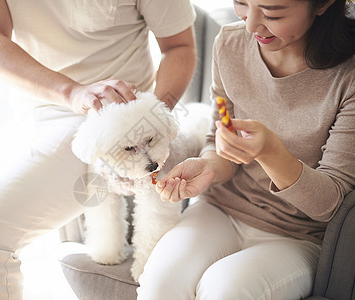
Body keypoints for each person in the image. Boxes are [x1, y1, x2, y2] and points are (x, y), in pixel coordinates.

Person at [0, 0, 197, 298]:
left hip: (105, 125)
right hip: (33, 115)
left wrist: (150, 122)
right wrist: (70, 91)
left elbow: (179, 47)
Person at [139, 0, 355, 299]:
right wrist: (209, 166)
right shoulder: (230, 43)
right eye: (241, 2)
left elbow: (328, 205)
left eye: (272, 12)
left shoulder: (348, 76)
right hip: (221, 208)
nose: (251, 24)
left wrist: (271, 153)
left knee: (226, 289)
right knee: (160, 283)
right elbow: (219, 139)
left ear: (321, 5)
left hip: (296, 235)